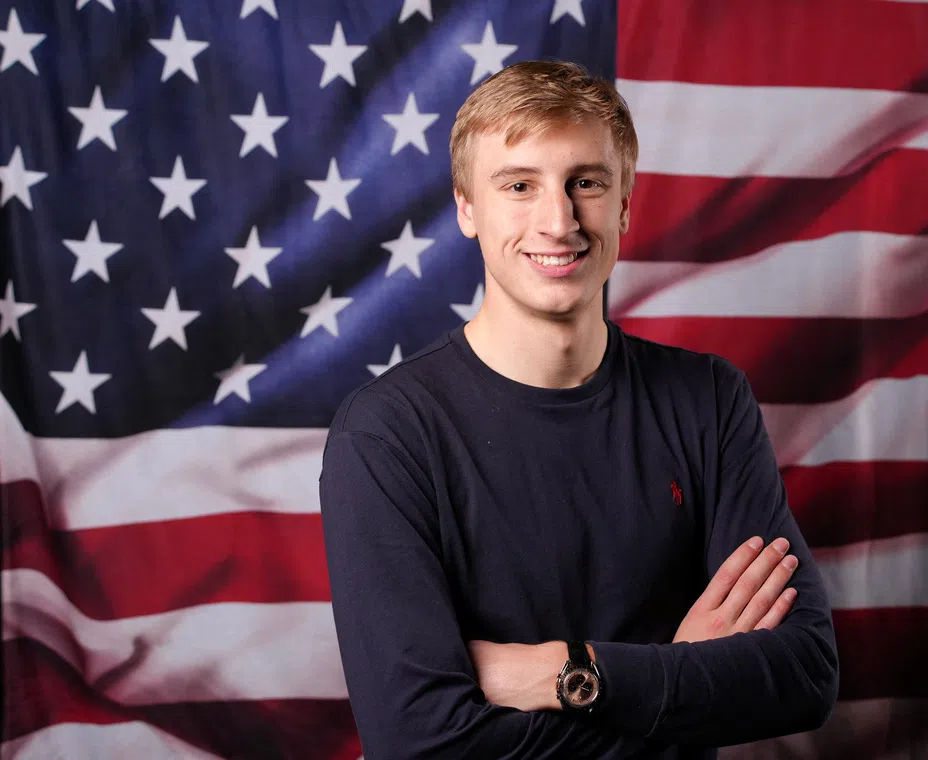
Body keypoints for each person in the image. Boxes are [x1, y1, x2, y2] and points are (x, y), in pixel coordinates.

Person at [318, 59, 839, 759]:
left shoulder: (708, 400)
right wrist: (673, 682)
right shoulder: (386, 433)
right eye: (520, 186)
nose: (558, 220)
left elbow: (803, 674)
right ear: (467, 208)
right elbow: (419, 743)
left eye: (585, 184)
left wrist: (566, 672)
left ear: (624, 205)